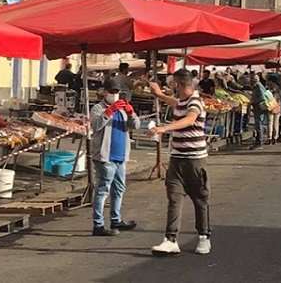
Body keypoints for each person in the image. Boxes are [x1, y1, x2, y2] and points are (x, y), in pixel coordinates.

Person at [148, 69, 211, 256]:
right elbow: (175, 103)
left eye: (172, 84)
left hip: (194, 160)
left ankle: (204, 236)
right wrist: (159, 94)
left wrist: (164, 128)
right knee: (174, 198)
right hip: (177, 159)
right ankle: (171, 239)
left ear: (177, 84)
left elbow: (190, 119)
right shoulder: (182, 101)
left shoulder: (195, 102)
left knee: (200, 198)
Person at [90, 78, 140, 236]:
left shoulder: (123, 110)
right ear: (104, 92)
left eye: (116, 92)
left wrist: (131, 113)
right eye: (111, 91)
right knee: (103, 189)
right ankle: (98, 225)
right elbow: (96, 125)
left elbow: (136, 126)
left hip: (120, 156)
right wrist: (109, 111)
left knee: (119, 189)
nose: (114, 94)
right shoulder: (98, 108)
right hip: (105, 156)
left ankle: (116, 219)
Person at [250, 74, 267, 150]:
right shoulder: (257, 86)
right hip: (258, 107)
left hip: (259, 108)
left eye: (253, 78)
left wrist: (253, 101)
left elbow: (262, 98)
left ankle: (259, 142)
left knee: (259, 124)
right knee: (258, 124)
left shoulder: (258, 86)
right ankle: (258, 141)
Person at [266, 77, 281, 145]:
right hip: (278, 106)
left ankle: (269, 138)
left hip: (271, 106)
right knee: (276, 123)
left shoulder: (269, 89)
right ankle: (275, 137)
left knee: (270, 122)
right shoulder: (279, 89)